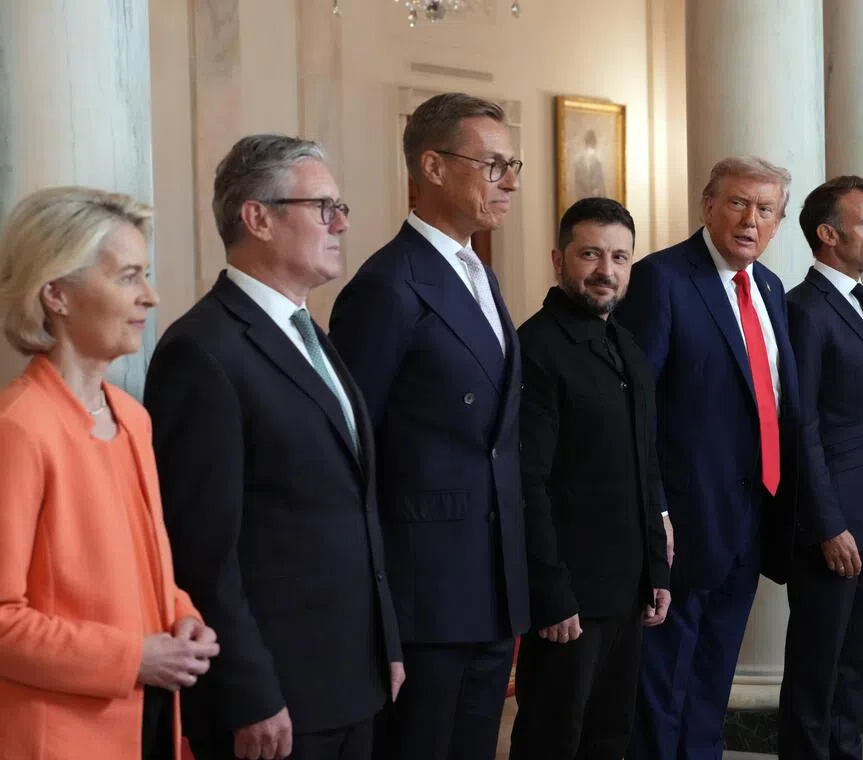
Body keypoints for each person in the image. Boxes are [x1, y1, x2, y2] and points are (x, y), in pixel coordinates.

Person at [144, 135, 404, 760]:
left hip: (350, 677)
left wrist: (385, 642)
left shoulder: (309, 333)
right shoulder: (202, 351)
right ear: (257, 217)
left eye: (339, 206)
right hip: (275, 697)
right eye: (322, 207)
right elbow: (202, 550)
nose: (341, 222)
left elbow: (353, 506)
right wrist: (247, 691)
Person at [328, 92, 528, 760]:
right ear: (434, 167)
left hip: (490, 583)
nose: (510, 181)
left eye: (512, 165)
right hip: (423, 592)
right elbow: (353, 449)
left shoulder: (480, 274)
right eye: (493, 164)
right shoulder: (388, 286)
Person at [0, 187, 219, 760]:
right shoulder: (19, 428)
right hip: (60, 738)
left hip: (149, 724)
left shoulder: (133, 419)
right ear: (57, 295)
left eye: (145, 275)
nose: (150, 296)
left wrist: (183, 615)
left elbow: (145, 574)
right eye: (127, 277)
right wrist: (134, 657)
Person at [616, 156, 801, 760]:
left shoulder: (769, 287)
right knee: (662, 684)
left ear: (779, 221)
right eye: (738, 204)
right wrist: (656, 513)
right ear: (708, 206)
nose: (751, 219)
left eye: (765, 209)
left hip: (751, 515)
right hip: (683, 524)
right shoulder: (662, 280)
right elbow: (636, 411)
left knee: (713, 679)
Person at [508, 197, 671, 760]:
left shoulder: (627, 346)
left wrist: (657, 570)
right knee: (553, 740)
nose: (606, 270)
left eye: (620, 257)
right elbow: (528, 481)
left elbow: (645, 465)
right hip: (570, 595)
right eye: (591, 254)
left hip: (626, 589)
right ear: (559, 259)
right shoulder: (537, 347)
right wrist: (550, 594)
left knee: (608, 739)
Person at [780, 176, 863, 760]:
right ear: (828, 235)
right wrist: (828, 524)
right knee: (817, 672)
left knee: (857, 673)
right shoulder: (805, 310)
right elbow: (801, 426)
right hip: (836, 527)